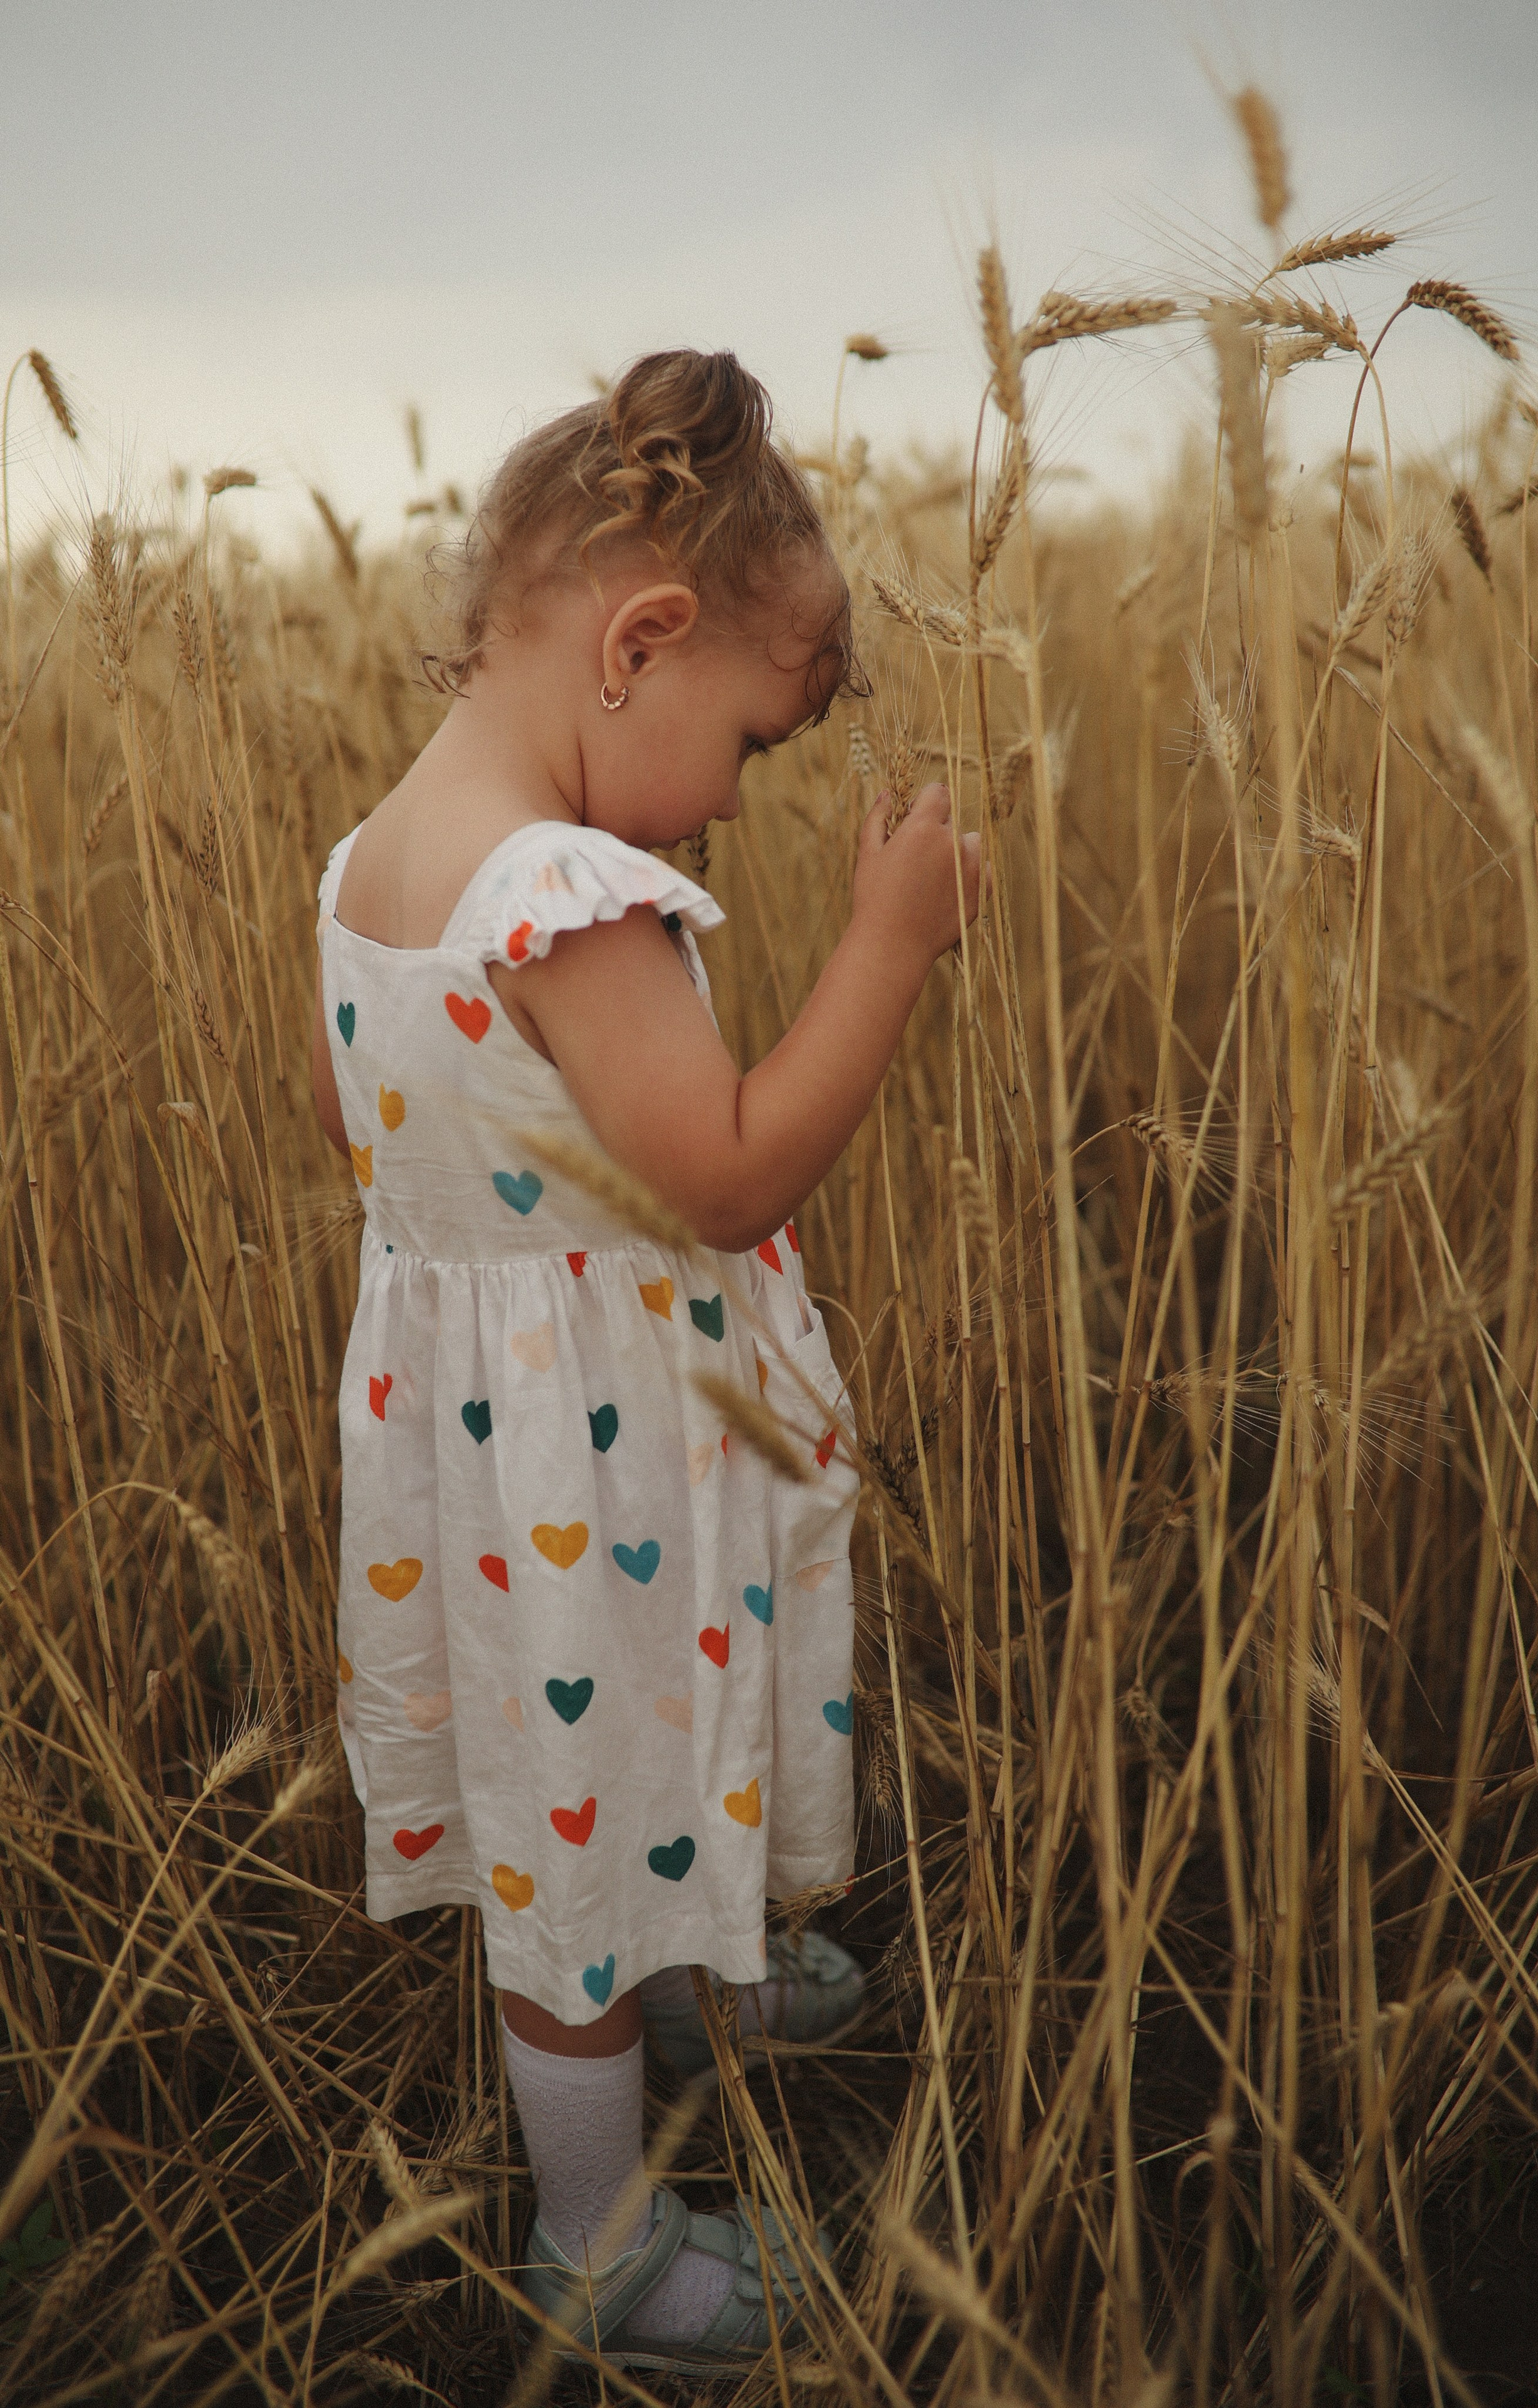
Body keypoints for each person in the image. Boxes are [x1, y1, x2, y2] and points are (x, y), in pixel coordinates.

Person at [309, 348, 982, 2370]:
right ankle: (597, 2238)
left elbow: (407, 1163)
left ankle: (697, 1969)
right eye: (753, 745)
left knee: (581, 1786)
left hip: (482, 1444)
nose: (740, 806)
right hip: (597, 1467)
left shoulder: (370, 870)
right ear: (642, 641)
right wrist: (890, 948)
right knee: (579, 1824)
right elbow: (724, 1170)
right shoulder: (566, 895)